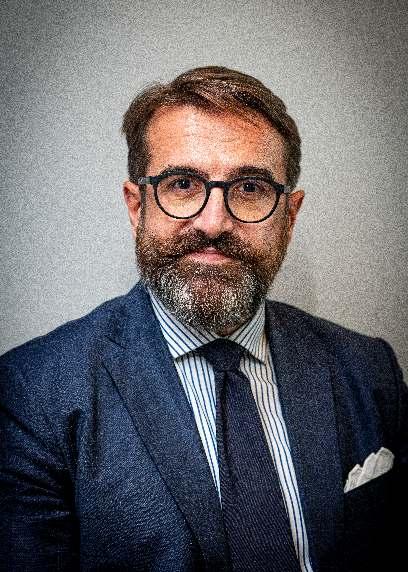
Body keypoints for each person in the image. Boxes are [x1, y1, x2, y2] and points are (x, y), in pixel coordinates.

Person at [0, 66, 407, 572]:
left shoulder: (369, 370)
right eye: (183, 184)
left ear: (290, 215)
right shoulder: (31, 395)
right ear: (137, 206)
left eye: (251, 187)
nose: (214, 222)